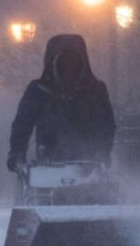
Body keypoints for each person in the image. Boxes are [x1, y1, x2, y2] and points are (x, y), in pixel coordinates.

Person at [7, 34, 116, 171]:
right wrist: (17, 153)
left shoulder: (96, 90)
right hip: (48, 164)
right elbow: (22, 125)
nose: (69, 69)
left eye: (73, 64)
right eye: (64, 64)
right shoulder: (38, 91)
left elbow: (106, 125)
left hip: (89, 164)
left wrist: (102, 151)